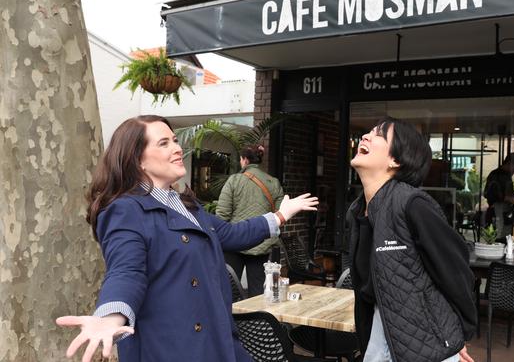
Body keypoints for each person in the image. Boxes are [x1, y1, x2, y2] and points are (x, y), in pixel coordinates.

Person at [55, 115, 318, 362]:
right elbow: (126, 271)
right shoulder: (125, 210)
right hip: (172, 348)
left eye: (175, 140)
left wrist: (282, 215)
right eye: (164, 143)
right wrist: (110, 317)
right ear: (138, 161)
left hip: (216, 340)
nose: (177, 148)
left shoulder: (186, 205)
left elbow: (232, 234)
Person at [347, 117, 477, 362]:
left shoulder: (412, 204)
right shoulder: (357, 211)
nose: (365, 136)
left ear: (396, 160)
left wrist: (458, 334)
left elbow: (456, 271)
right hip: (382, 334)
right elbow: (369, 290)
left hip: (428, 345)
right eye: (368, 132)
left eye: (377, 135)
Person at [215, 144, 284, 296]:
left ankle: (232, 319)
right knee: (258, 290)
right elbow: (279, 214)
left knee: (228, 289)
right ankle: (256, 319)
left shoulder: (234, 181)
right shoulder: (274, 182)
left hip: (234, 243)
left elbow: (222, 215)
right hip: (261, 242)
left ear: (244, 160)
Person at [484, 152, 514, 238]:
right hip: (497, 213)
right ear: (510, 163)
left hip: (505, 213)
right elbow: (488, 193)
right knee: (498, 239)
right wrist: (509, 198)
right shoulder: (496, 175)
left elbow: (511, 193)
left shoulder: (506, 176)